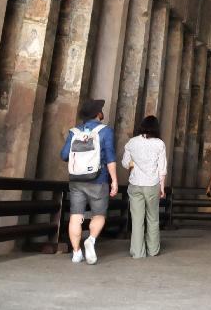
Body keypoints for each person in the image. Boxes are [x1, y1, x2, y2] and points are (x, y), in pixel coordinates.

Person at [60, 99, 118, 265]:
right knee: (99, 215)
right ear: (98, 114)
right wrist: (113, 180)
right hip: (98, 180)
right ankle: (91, 240)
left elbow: (64, 155)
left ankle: (76, 253)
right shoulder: (105, 131)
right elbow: (110, 158)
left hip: (76, 181)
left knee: (75, 216)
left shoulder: (74, 132)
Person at [121, 115, 167, 258]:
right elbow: (162, 169)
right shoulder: (159, 144)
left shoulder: (132, 142)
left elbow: (124, 163)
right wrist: (162, 187)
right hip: (152, 184)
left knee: (137, 220)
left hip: (135, 184)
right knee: (153, 218)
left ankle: (137, 252)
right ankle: (153, 250)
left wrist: (134, 164)